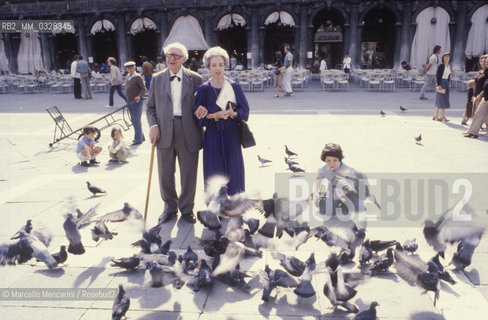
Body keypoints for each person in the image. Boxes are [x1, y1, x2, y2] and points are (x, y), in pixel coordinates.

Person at [146, 42, 203, 224]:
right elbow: (150, 108)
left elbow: (202, 105)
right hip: (163, 131)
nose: (171, 58)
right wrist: (153, 125)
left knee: (188, 173)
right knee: (165, 172)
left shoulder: (195, 79)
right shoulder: (157, 78)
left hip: (188, 130)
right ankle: (170, 207)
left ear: (184, 59)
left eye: (175, 56)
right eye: (169, 55)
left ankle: (187, 208)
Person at [193, 46, 250, 196]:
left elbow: (245, 111)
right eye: (214, 65)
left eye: (221, 64)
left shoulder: (234, 86)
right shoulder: (203, 89)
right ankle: (217, 205)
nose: (218, 69)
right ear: (208, 67)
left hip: (232, 134)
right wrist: (213, 116)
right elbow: (198, 118)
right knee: (214, 169)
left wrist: (234, 114)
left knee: (234, 168)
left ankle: (235, 202)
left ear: (226, 65)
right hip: (212, 135)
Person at [312, 143, 360, 216]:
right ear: (324, 160)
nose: (332, 163)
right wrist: (315, 193)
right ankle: (328, 201)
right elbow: (318, 180)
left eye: (335, 160)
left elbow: (353, 185)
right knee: (325, 211)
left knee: (357, 208)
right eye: (328, 160)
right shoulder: (323, 169)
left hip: (349, 191)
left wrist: (342, 194)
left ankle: (343, 204)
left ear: (339, 159)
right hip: (332, 189)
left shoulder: (348, 170)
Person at [465, 54, 488, 139]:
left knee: (482, 116)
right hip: (485, 97)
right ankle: (473, 132)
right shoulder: (481, 71)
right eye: (485, 61)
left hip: (484, 96)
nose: (486, 63)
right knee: (478, 114)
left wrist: (481, 94)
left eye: (487, 61)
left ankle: (472, 132)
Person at [123, 61, 146, 145]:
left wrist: (139, 96)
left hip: (137, 101)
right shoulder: (128, 76)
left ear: (134, 68)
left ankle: (138, 139)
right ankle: (141, 136)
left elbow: (143, 89)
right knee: (133, 120)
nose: (130, 69)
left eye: (132, 68)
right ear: (126, 69)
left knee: (136, 120)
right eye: (128, 68)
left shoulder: (138, 77)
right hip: (129, 101)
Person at [433, 52, 451, 122]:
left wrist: (449, 82)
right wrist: (438, 84)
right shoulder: (441, 65)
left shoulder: (448, 66)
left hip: (446, 82)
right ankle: (442, 116)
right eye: (445, 56)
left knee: (442, 99)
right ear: (443, 58)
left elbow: (448, 75)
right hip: (441, 82)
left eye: (448, 57)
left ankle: (435, 115)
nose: (447, 58)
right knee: (441, 99)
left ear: (450, 58)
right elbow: (437, 75)